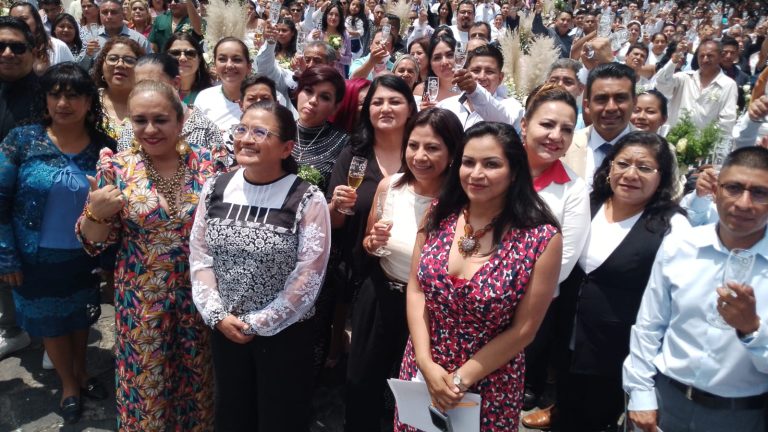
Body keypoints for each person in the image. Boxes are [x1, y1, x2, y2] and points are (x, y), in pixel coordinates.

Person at [394, 120, 562, 432]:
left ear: (514, 171)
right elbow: (416, 288)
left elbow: (525, 329)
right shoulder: (438, 213)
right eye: (468, 162)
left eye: (491, 164)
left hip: (488, 379)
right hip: (423, 370)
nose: (476, 174)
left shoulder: (541, 238)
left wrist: (459, 380)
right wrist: (425, 362)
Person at [76, 80, 218, 430]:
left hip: (198, 297)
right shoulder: (117, 168)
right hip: (141, 301)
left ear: (180, 120)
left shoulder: (209, 166)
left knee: (196, 390)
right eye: (140, 121)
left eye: (160, 120)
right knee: (146, 395)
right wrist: (96, 212)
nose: (150, 130)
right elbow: (92, 243)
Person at [189, 100, 331, 432]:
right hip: (225, 328)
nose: (246, 138)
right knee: (233, 414)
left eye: (260, 132)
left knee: (279, 417)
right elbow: (200, 255)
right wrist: (218, 315)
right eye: (242, 128)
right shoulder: (215, 188)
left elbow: (309, 276)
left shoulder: (307, 198)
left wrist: (257, 323)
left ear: (286, 148)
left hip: (284, 334)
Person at [0, 63, 115, 424]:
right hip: (33, 256)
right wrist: (6, 256)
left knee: (79, 317)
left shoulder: (103, 147)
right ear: (45, 99)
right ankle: (68, 385)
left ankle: (81, 373)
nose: (64, 102)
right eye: (56, 94)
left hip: (84, 255)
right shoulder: (22, 139)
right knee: (50, 323)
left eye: (74, 94)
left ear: (88, 101)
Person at [624, 146, 768, 432]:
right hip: (665, 401)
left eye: (760, 193)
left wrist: (752, 330)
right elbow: (650, 325)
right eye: (734, 188)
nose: (743, 203)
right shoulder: (682, 244)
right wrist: (640, 393)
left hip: (738, 416)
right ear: (715, 191)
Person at [557, 131, 689, 431]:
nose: (630, 174)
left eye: (644, 168)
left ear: (662, 176)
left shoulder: (671, 224)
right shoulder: (588, 204)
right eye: (623, 164)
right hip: (567, 339)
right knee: (566, 414)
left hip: (619, 353)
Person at [346, 107, 461, 431]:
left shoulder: (460, 203)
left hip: (429, 309)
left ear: (453, 152)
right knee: (360, 383)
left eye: (433, 148)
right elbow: (370, 244)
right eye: (413, 145)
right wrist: (372, 242)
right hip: (380, 294)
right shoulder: (390, 186)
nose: (420, 156)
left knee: (412, 390)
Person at [519, 84, 591, 429]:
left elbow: (561, 265)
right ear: (525, 124)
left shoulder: (574, 189)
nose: (556, 135)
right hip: (467, 301)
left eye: (566, 129)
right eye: (547, 124)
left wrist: (495, 284)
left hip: (528, 310)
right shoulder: (493, 166)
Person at [0, 16, 39, 359]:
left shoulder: (48, 93)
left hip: (32, 202)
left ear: (33, 50)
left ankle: (47, 334)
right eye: (1, 46)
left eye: (17, 46)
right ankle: (12, 328)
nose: (8, 53)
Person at [116, 53, 226, 170]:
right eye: (139, 85)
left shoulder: (205, 129)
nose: (147, 92)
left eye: (154, 84)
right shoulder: (129, 130)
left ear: (176, 83)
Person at [563, 62, 637, 186]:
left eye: (620, 98)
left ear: (634, 103)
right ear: (587, 106)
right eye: (601, 99)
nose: (611, 108)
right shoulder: (565, 146)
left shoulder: (658, 150)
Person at [654, 38, 737, 132]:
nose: (705, 59)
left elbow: (727, 121)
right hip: (673, 138)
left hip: (704, 144)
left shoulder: (728, 85)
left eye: (710, 56)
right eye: (701, 56)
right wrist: (673, 60)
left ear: (720, 56)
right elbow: (661, 83)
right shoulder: (684, 78)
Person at [437, 44, 524, 132]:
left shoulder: (512, 107)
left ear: (500, 78)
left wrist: (475, 90)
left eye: (489, 71)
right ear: (466, 72)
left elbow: (503, 124)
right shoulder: (445, 106)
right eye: (476, 71)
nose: (482, 77)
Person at [294, 65, 349, 188]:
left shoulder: (344, 142)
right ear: (298, 92)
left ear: (335, 107)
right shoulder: (278, 131)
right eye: (308, 90)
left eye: (324, 97)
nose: (313, 100)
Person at [195, 37, 252, 155]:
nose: (230, 65)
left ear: (249, 67)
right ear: (215, 65)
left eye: (237, 59)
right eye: (222, 59)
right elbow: (195, 143)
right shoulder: (204, 97)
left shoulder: (267, 97)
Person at [92, 37, 145, 143]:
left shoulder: (149, 104)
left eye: (129, 60)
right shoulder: (89, 101)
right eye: (112, 59)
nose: (120, 64)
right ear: (102, 65)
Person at [80, 0, 152, 71]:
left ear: (123, 15)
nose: (109, 16)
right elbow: (80, 69)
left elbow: (150, 68)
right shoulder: (91, 39)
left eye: (114, 12)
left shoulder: (139, 40)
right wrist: (87, 55)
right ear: (99, 14)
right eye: (104, 12)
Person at [10, 1, 75, 75]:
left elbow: (72, 76)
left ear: (36, 20)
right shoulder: (5, 50)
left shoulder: (58, 46)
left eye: (24, 19)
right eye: (13, 20)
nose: (18, 23)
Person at [164, 32, 212, 107]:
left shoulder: (212, 93)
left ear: (199, 59)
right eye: (175, 53)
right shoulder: (157, 92)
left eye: (190, 53)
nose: (183, 58)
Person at [545, 58, 586, 129]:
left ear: (580, 89)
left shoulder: (585, 121)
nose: (560, 85)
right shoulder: (533, 114)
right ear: (545, 85)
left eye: (568, 82)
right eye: (553, 81)